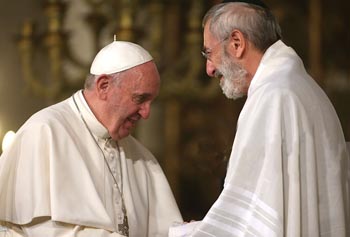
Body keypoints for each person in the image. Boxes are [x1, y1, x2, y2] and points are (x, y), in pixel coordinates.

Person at [169, 0, 349, 236]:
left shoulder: (272, 97)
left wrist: (183, 233)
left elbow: (252, 224)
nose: (209, 69)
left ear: (237, 43)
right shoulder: (301, 88)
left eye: (209, 53)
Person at [0, 39, 183, 237]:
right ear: (104, 86)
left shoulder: (141, 156)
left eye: (151, 101)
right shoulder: (44, 132)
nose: (146, 113)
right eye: (140, 99)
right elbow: (44, 232)